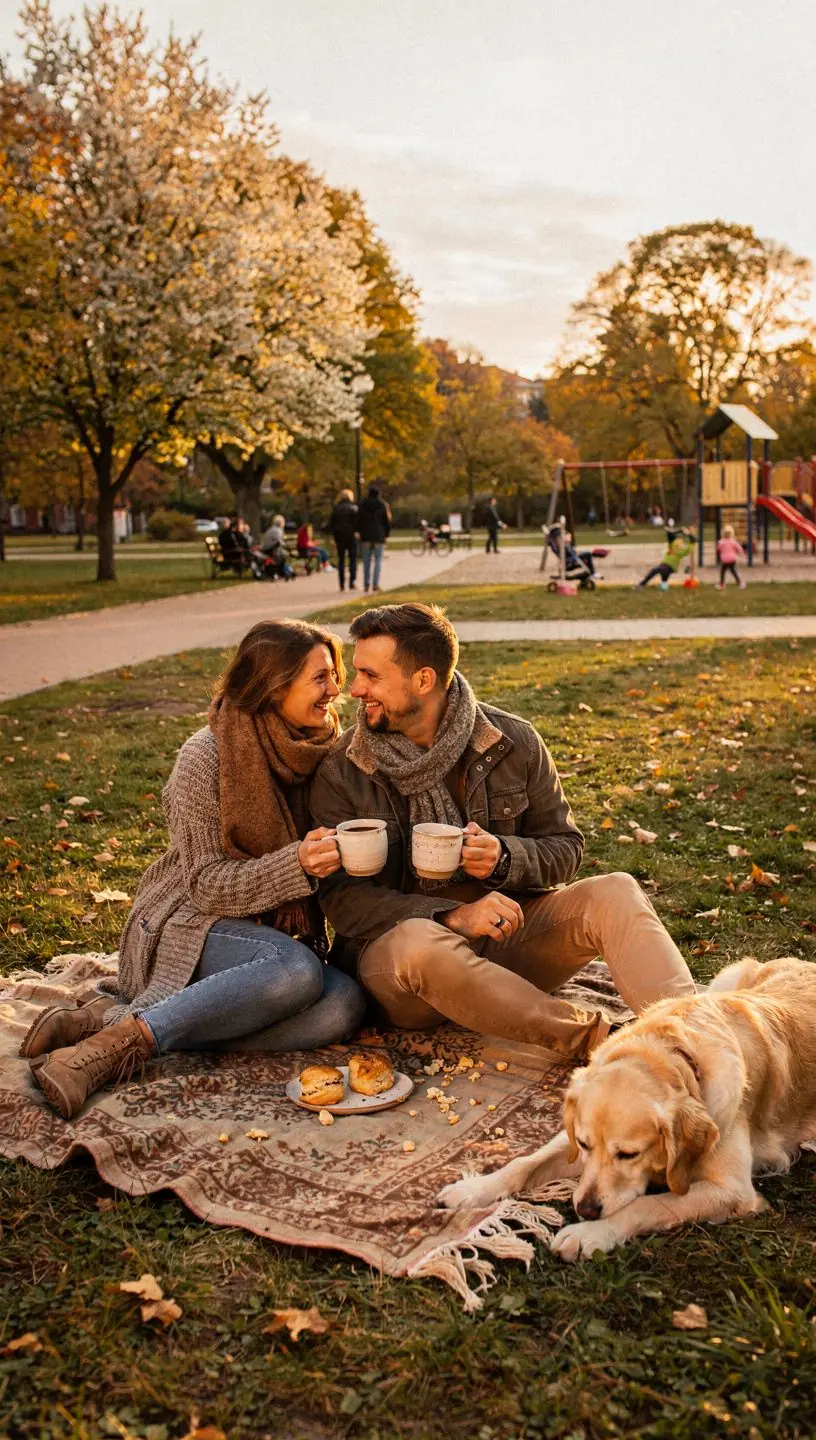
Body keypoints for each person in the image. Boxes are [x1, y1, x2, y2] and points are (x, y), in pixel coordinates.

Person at [310, 602, 696, 1058]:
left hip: (504, 942)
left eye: (371, 676)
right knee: (420, 942)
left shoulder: (512, 742)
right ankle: (606, 1044)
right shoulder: (344, 769)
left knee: (614, 891)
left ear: (423, 680)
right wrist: (450, 917)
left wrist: (505, 857)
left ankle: (697, 1040)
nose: (355, 689)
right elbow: (341, 900)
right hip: (404, 972)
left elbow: (566, 847)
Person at [25, 621, 366, 1119]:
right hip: (185, 919)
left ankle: (115, 1018)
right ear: (275, 685)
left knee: (343, 1006)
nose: (336, 690)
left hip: (266, 934)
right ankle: (112, 1051)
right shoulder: (205, 757)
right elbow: (206, 886)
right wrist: (296, 865)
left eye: (334, 674)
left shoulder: (325, 751)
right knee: (295, 971)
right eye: (320, 678)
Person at [357, 484, 390, 593]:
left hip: (366, 535)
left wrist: (359, 531)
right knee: (378, 559)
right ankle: (375, 584)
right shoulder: (381, 504)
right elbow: (386, 522)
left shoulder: (362, 504)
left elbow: (358, 520)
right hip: (379, 535)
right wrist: (386, 534)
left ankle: (366, 584)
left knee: (366, 560)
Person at [330, 488, 359, 592]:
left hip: (339, 537)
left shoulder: (336, 509)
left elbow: (332, 524)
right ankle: (352, 582)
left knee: (341, 560)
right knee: (353, 560)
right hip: (351, 537)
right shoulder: (354, 508)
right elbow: (357, 523)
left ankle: (342, 584)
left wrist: (334, 536)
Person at [259, 514, 295, 580]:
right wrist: (288, 549)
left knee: (283, 554)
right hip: (270, 550)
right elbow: (279, 542)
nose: (284, 523)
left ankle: (282, 571)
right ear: (280, 523)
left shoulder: (273, 529)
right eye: (283, 522)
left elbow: (278, 542)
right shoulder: (277, 530)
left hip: (267, 549)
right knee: (283, 556)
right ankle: (281, 572)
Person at [716, 525, 747, 589]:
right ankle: (740, 583)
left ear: (723, 533)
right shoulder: (733, 541)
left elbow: (718, 548)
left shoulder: (721, 542)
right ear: (731, 534)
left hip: (725, 560)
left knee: (723, 571)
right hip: (732, 559)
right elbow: (739, 548)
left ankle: (722, 584)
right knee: (733, 571)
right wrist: (742, 554)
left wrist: (719, 551)